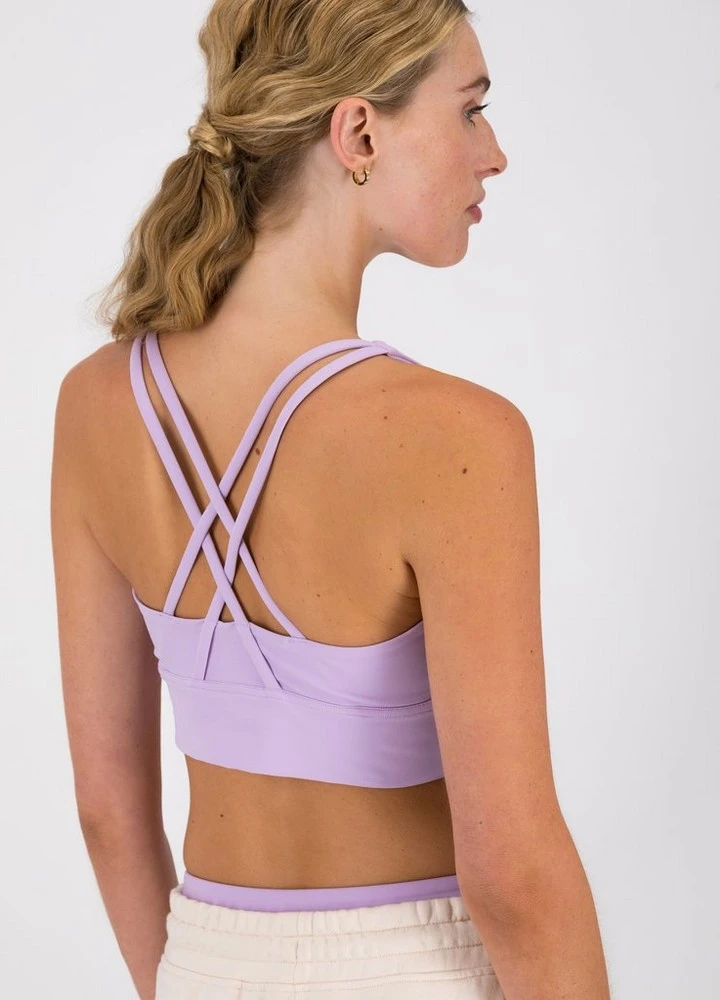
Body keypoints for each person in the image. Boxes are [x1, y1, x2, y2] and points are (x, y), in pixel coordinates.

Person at [50, 1, 611, 997]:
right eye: (470, 110)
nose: (493, 155)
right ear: (357, 134)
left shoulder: (96, 403)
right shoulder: (454, 437)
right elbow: (513, 874)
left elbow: (109, 814)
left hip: (203, 962)